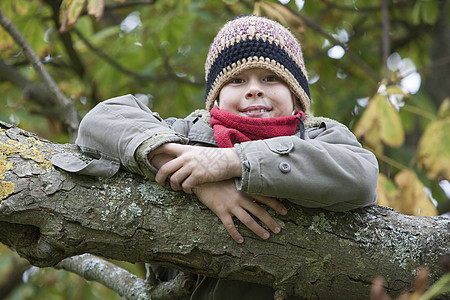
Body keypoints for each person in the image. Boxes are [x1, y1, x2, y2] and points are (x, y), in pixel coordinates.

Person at [53, 15, 378, 299]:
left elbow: (361, 176)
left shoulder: (319, 135)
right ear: (216, 97)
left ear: (296, 96)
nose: (254, 89)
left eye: (271, 78)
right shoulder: (187, 131)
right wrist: (196, 179)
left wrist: (231, 162)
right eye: (237, 80)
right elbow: (101, 120)